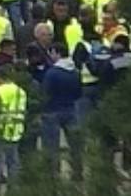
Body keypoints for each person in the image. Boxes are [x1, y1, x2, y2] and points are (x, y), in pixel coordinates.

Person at [41, 42, 84, 180]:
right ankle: (77, 172)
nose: (50, 56)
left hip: (52, 111)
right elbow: (79, 93)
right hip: (71, 109)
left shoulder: (52, 73)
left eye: (52, 53)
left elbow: (45, 93)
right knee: (75, 144)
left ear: (57, 53)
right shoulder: (76, 72)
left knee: (51, 146)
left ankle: (53, 174)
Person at [0, 65, 27, 188]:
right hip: (17, 128)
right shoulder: (20, 91)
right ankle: (13, 186)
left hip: (0, 128)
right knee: (13, 161)